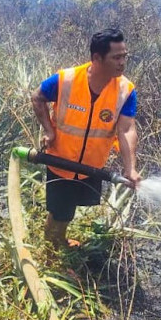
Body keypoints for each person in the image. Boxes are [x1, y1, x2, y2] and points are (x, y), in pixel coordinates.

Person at [31, 28, 141, 249]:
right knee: (60, 212)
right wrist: (49, 130)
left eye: (124, 56)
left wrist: (130, 168)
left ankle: (57, 241)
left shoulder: (125, 90)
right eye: (116, 57)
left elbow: (127, 129)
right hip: (60, 161)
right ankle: (53, 250)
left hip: (91, 165)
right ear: (97, 58)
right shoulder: (67, 80)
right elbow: (37, 97)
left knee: (69, 208)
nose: (122, 62)